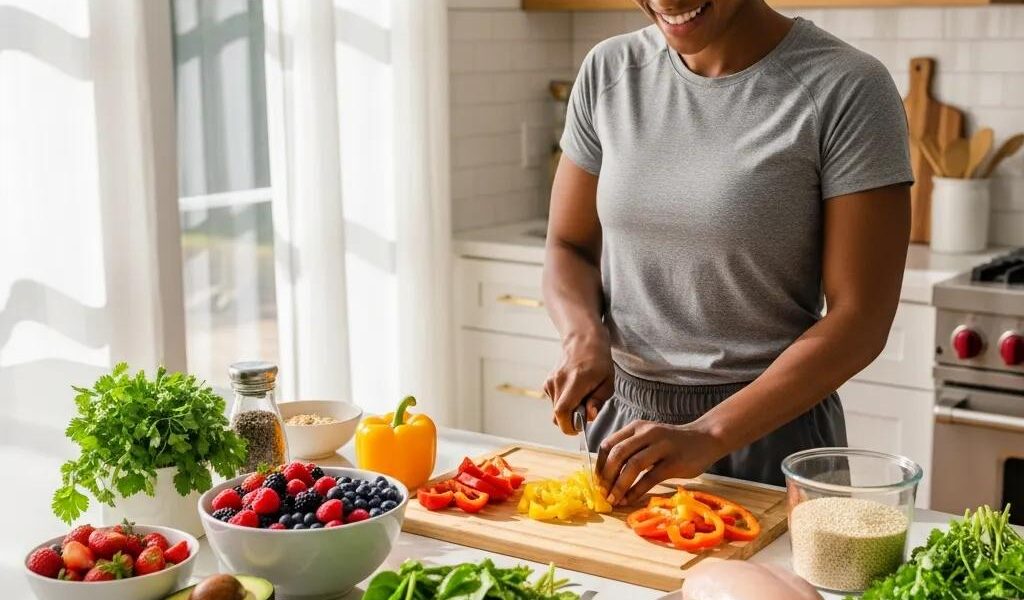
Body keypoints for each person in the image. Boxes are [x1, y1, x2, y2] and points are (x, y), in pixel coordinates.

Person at [542, 0, 912, 506]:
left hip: (772, 437)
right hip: (622, 436)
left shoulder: (847, 86)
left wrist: (711, 433)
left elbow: (861, 318)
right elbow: (568, 245)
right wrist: (584, 339)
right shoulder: (609, 71)